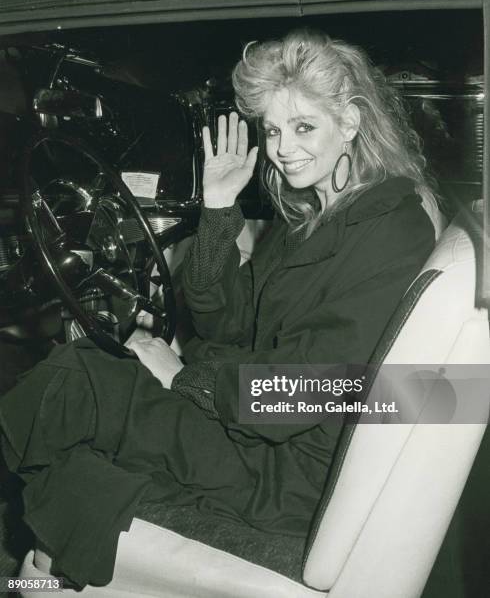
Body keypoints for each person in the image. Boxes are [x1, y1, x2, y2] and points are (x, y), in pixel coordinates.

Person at [0, 29, 438, 588]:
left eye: (304, 127)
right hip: (255, 432)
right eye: (274, 129)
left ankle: (36, 568)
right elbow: (221, 317)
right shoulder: (313, 218)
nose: (283, 148)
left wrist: (185, 379)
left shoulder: (389, 230)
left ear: (350, 122)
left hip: (287, 472)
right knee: (88, 379)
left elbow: (310, 393)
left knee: (80, 381)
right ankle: (42, 572)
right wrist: (219, 206)